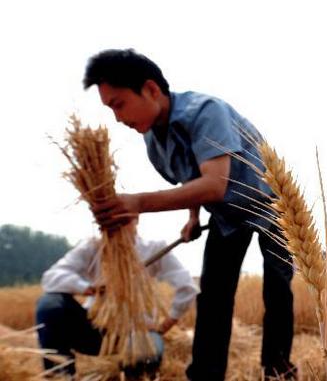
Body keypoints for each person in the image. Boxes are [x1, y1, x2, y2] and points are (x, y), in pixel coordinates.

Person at [81, 49, 296, 380]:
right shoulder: (154, 139)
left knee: (277, 288)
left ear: (151, 90)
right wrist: (193, 217)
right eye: (110, 108)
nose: (117, 118)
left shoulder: (206, 112)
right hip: (226, 214)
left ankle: (278, 369)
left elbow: (213, 184)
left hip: (271, 203)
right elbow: (192, 179)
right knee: (213, 296)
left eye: (119, 104)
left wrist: (137, 202)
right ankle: (206, 375)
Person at [36, 232, 199, 377]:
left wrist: (166, 324)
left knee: (144, 356)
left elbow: (187, 287)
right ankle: (60, 375)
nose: (115, 225)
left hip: (138, 332)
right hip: (95, 332)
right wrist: (87, 287)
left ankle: (137, 373)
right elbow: (51, 277)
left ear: (135, 217)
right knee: (50, 305)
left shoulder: (154, 248)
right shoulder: (92, 247)